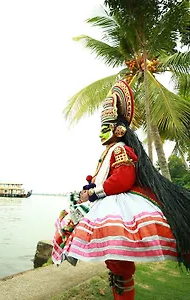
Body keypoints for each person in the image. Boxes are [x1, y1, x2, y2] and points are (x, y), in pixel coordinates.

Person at [51, 80, 190, 300]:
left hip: (118, 204)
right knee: (115, 259)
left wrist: (95, 192)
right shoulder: (111, 150)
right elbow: (100, 178)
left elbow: (123, 179)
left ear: (119, 129)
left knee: (119, 258)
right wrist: (89, 188)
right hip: (108, 201)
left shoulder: (121, 149)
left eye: (105, 128)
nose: (100, 133)